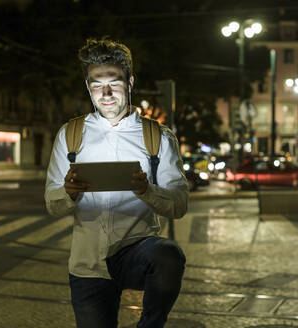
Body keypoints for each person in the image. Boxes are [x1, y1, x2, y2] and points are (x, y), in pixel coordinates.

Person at [44, 38, 189, 328]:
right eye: (97, 84)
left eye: (115, 82)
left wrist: (147, 191)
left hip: (135, 250)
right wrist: (68, 193)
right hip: (87, 263)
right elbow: (52, 203)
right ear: (88, 86)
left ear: (130, 81)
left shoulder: (157, 137)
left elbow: (179, 205)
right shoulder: (70, 135)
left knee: (169, 256)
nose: (106, 93)